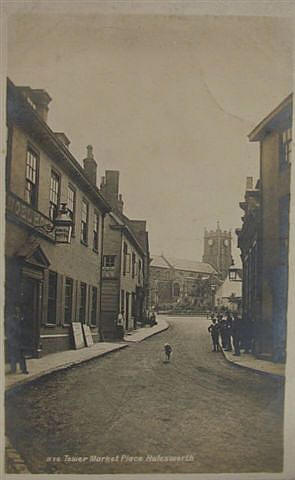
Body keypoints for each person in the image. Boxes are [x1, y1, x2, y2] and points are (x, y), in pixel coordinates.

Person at [6, 305, 29, 374]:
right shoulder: (10, 319)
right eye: (16, 311)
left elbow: (23, 329)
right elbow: (9, 329)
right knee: (13, 355)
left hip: (20, 340)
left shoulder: (21, 318)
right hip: (13, 339)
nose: (17, 312)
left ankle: (23, 369)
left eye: (18, 310)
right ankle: (13, 369)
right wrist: (10, 337)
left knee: (22, 355)